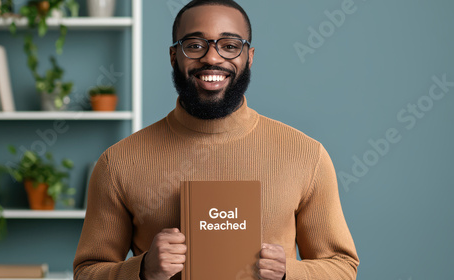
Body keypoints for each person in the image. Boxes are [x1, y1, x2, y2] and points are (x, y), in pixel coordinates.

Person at [73, 0, 359, 279]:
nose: (211, 58)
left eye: (230, 46)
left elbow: (343, 267)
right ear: (174, 56)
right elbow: (86, 272)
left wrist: (289, 273)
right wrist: (143, 270)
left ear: (249, 57)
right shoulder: (118, 163)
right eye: (195, 45)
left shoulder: (306, 155)